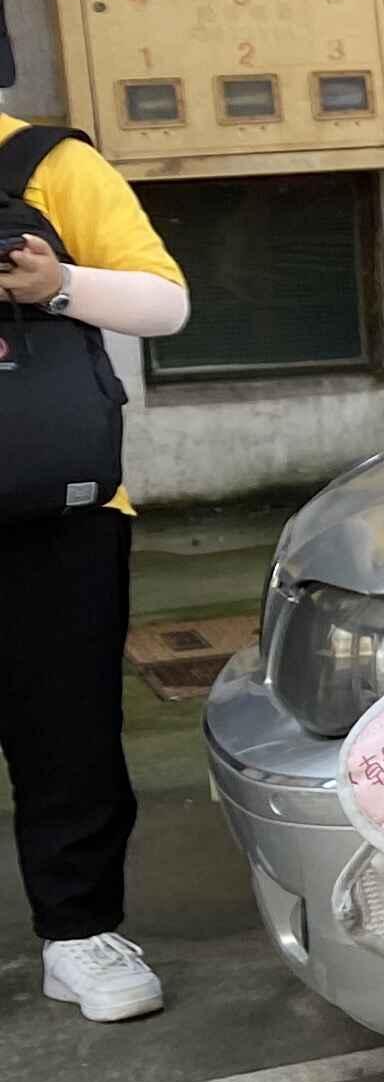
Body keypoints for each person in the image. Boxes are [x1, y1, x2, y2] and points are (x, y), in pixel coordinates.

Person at [0, 111, 188, 1021]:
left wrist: (58, 283)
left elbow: (164, 302)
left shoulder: (42, 162)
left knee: (65, 731)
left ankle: (78, 934)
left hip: (54, 510)